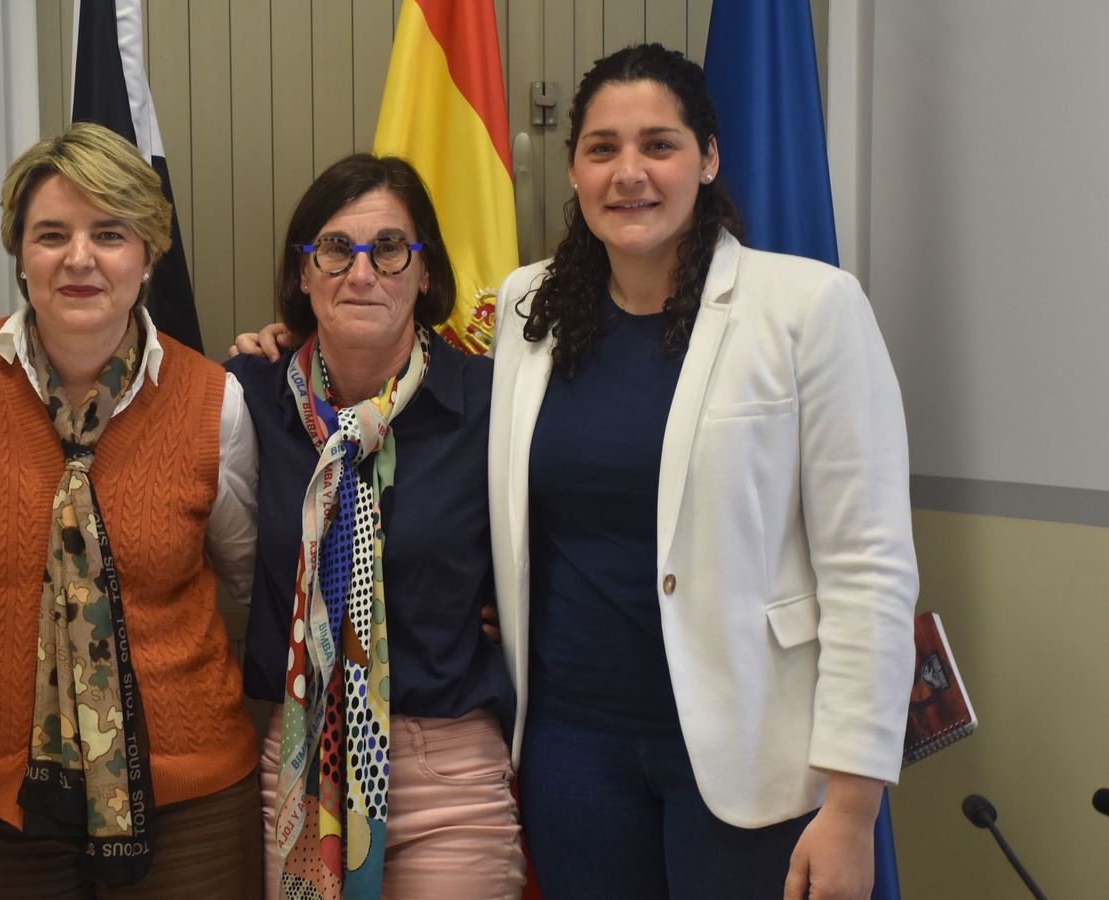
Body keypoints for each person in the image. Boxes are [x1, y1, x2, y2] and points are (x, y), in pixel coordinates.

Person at [489, 44, 918, 900]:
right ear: (572, 168)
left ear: (709, 158)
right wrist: (282, 353)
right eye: (603, 148)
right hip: (572, 748)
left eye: (660, 144)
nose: (629, 173)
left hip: (754, 749)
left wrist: (852, 808)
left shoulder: (808, 307)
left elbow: (869, 566)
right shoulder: (524, 305)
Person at [0, 121, 261, 899]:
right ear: (21, 255)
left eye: (110, 234)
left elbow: (248, 576)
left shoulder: (213, 402)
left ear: (149, 255)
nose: (80, 259)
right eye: (51, 234)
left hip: (191, 798)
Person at [226, 154, 524, 900]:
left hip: (445, 768)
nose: (361, 274)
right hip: (297, 763)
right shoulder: (245, 399)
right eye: (334, 249)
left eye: (389, 249)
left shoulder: (492, 404)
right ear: (303, 273)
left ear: (426, 275)